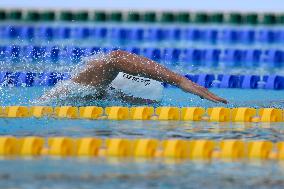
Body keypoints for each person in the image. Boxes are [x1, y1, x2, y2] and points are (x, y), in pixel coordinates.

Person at [36, 50, 227, 105]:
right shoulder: (86, 86)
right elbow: (116, 58)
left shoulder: (93, 95)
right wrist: (180, 80)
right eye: (138, 101)